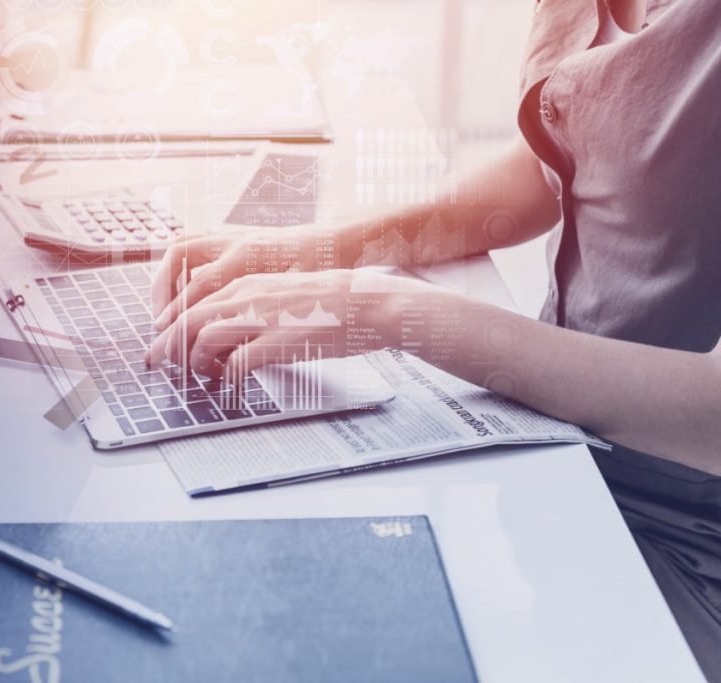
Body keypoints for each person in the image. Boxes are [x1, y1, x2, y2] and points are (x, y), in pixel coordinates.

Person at [147, 0, 720, 678]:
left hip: (683, 539)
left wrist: (393, 310)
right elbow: (563, 159)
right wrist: (315, 250)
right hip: (556, 450)